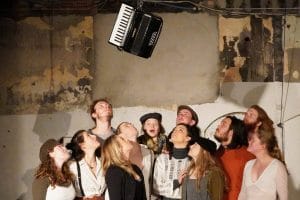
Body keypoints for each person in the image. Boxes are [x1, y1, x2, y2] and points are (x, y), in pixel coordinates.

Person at [238, 123, 288, 200]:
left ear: (263, 145)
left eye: (253, 140)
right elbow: (242, 195)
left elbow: (284, 199)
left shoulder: (278, 167)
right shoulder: (248, 165)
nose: (249, 141)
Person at [214, 116, 255, 200]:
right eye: (220, 123)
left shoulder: (248, 156)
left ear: (231, 133)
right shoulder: (215, 154)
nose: (218, 126)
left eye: (223, 124)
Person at [153, 124, 194, 200]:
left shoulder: (193, 160)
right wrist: (176, 182)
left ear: (188, 138)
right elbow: (156, 187)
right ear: (170, 139)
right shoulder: (162, 158)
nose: (175, 131)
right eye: (174, 130)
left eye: (180, 130)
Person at [116, 122, 154, 200]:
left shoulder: (149, 152)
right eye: (126, 125)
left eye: (131, 124)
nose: (132, 125)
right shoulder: (118, 152)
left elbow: (151, 179)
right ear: (120, 135)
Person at [102, 135, 147, 200]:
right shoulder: (114, 171)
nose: (126, 138)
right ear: (118, 147)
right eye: (122, 139)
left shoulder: (135, 168)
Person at [67, 130, 106, 199]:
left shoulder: (104, 162)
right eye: (88, 135)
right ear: (82, 146)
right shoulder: (73, 167)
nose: (94, 136)